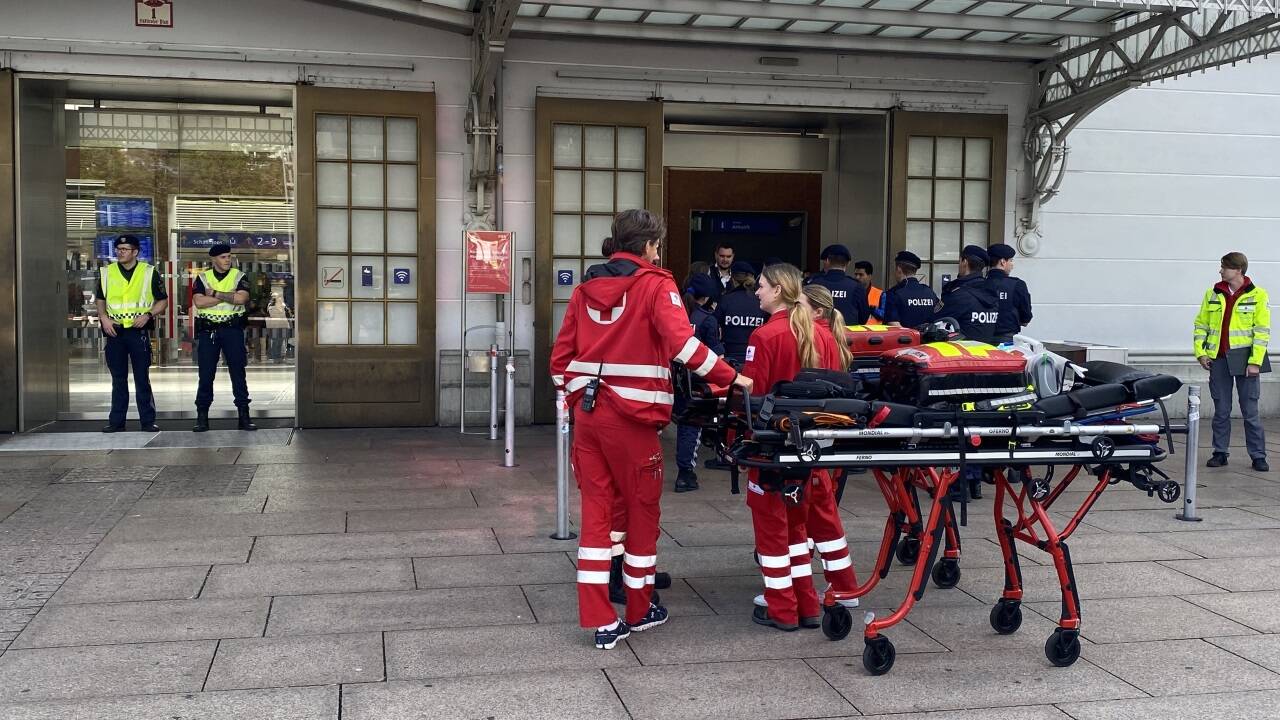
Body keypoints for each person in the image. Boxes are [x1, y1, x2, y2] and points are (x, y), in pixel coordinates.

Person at [551, 209, 751, 649]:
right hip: (634, 420)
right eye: (658, 246)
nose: (659, 253)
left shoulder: (584, 290)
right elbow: (683, 345)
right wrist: (730, 377)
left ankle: (600, 618)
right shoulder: (657, 284)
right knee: (642, 511)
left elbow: (560, 358)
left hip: (588, 416)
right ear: (648, 246)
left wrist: (572, 399)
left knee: (597, 514)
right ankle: (640, 610)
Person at [742, 263, 851, 631]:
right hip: (813, 447)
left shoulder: (765, 336)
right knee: (799, 529)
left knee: (774, 531)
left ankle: (782, 610)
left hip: (774, 448)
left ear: (777, 290)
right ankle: (806, 605)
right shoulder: (819, 334)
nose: (756, 292)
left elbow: (754, 398)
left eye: (761, 286)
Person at [1195, 252, 1270, 472]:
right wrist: (1201, 353)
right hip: (1218, 360)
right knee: (1221, 410)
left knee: (1250, 411)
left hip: (1245, 361)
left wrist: (1255, 362)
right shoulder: (1212, 294)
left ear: (1238, 270)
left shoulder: (1258, 295)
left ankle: (1258, 456)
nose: (1220, 270)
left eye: (1224, 267)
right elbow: (1201, 326)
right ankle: (1220, 452)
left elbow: (1262, 332)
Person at [95, 234, 167, 433]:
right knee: (118, 379)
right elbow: (100, 299)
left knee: (142, 378)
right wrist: (103, 318)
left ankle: (147, 421)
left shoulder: (148, 272)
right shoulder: (107, 272)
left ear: (135, 252)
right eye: (118, 249)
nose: (120, 252)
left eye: (125, 249)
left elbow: (163, 300)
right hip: (115, 331)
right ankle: (116, 422)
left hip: (138, 332)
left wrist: (148, 314)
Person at [191, 243, 256, 432]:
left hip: (232, 330)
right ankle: (202, 416)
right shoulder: (202, 277)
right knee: (206, 375)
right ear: (213, 259)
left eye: (229, 256)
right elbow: (199, 302)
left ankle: (244, 416)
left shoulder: (239, 276)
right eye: (223, 257)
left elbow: (241, 299)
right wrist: (227, 296)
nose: (227, 260)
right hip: (208, 331)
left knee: (238, 373)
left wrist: (215, 293)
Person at [674, 272, 725, 493]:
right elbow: (717, 357)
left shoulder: (677, 315)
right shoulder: (707, 319)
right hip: (697, 382)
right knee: (691, 428)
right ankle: (685, 473)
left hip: (673, 379)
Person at [934, 244, 999, 345]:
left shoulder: (959, 294)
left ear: (965, 262)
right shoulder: (992, 291)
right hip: (986, 353)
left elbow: (934, 320)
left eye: (959, 261)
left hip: (960, 355)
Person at [717, 260, 768, 365]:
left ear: (733, 279)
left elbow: (714, 325)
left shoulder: (726, 300)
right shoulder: (761, 301)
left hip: (730, 359)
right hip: (755, 357)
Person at [805, 244, 870, 325]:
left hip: (818, 334)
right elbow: (864, 317)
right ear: (848, 263)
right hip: (847, 335)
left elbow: (804, 311)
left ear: (828, 260)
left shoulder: (813, 283)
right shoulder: (857, 287)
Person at [985, 243, 1033, 343]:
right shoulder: (1017, 285)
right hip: (1007, 343)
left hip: (979, 343)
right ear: (1002, 262)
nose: (1012, 265)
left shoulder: (978, 284)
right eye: (1011, 260)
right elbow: (1026, 320)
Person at [883, 250, 939, 329]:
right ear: (915, 271)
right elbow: (940, 316)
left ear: (899, 269)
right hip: (931, 340)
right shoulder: (929, 292)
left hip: (906, 340)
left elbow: (893, 325)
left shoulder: (893, 293)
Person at [852, 260, 885, 324]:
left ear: (869, 276)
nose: (857, 277)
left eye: (861, 275)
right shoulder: (851, 292)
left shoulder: (881, 294)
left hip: (875, 333)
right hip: (856, 332)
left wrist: (873, 309)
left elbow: (886, 315)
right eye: (856, 274)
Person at [266, 293, 292, 364]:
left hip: (283, 325)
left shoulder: (284, 305)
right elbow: (272, 314)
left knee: (280, 342)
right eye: (274, 297)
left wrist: (285, 309)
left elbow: (288, 315)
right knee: (275, 342)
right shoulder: (270, 305)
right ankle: (275, 358)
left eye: (280, 297)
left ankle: (279, 357)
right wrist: (281, 309)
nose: (279, 299)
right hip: (274, 326)